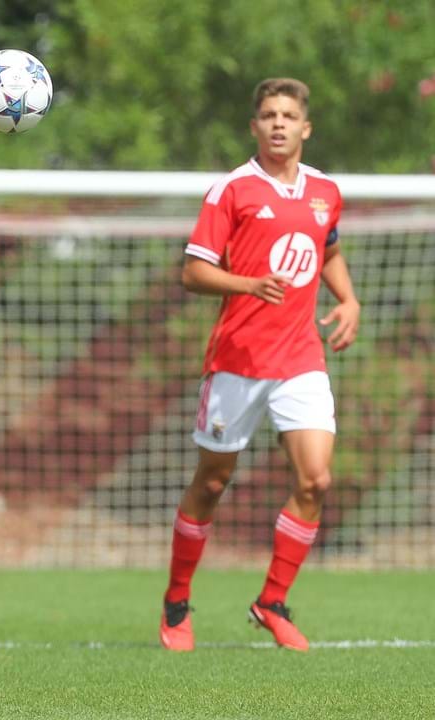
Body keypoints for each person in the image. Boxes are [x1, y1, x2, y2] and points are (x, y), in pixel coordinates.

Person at [158, 77, 360, 653]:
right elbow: (193, 272)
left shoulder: (326, 191)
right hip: (237, 361)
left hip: (301, 359)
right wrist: (249, 284)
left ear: (305, 127)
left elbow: (329, 250)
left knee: (316, 479)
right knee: (213, 481)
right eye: (268, 114)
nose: (278, 123)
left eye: (288, 114)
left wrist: (348, 299)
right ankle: (176, 600)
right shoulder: (232, 190)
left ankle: (271, 602)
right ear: (255, 126)